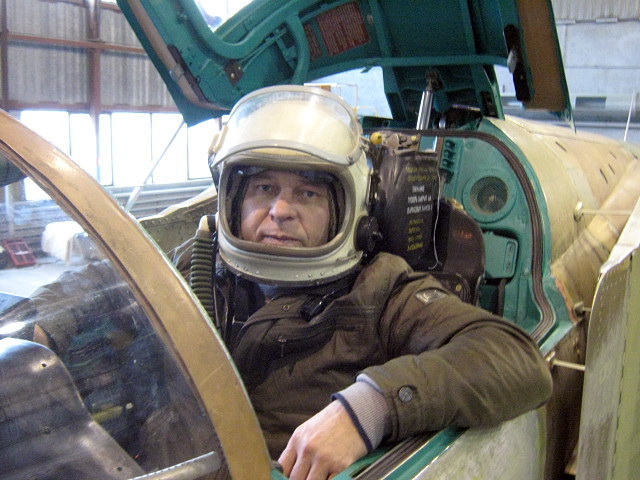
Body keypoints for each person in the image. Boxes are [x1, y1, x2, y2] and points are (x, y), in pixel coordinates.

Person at [173, 85, 553, 480]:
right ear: (234, 197)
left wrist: (370, 407)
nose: (280, 210)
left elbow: (515, 358)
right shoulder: (192, 270)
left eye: (308, 193)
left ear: (350, 205)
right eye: (264, 188)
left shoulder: (381, 289)